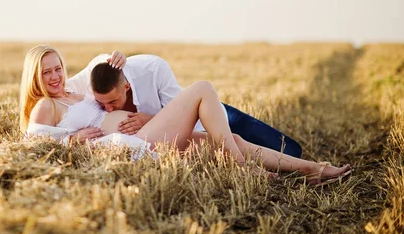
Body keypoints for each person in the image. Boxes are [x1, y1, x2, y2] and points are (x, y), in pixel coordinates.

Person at [19, 45, 352, 185]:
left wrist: (114, 57)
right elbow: (31, 140)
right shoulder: (45, 104)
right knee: (203, 88)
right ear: (35, 76)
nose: (54, 77)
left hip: (141, 136)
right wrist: (72, 139)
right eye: (45, 72)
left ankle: (316, 169)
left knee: (231, 139)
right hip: (128, 145)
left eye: (57, 68)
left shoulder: (73, 88)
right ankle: (242, 167)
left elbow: (98, 65)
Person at [67, 52, 303, 158]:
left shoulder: (153, 69)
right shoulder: (93, 78)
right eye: (101, 103)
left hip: (210, 116)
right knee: (243, 148)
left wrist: (150, 120)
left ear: (126, 87)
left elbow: (187, 119)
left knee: (289, 151)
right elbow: (61, 89)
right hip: (191, 123)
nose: (108, 108)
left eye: (113, 102)